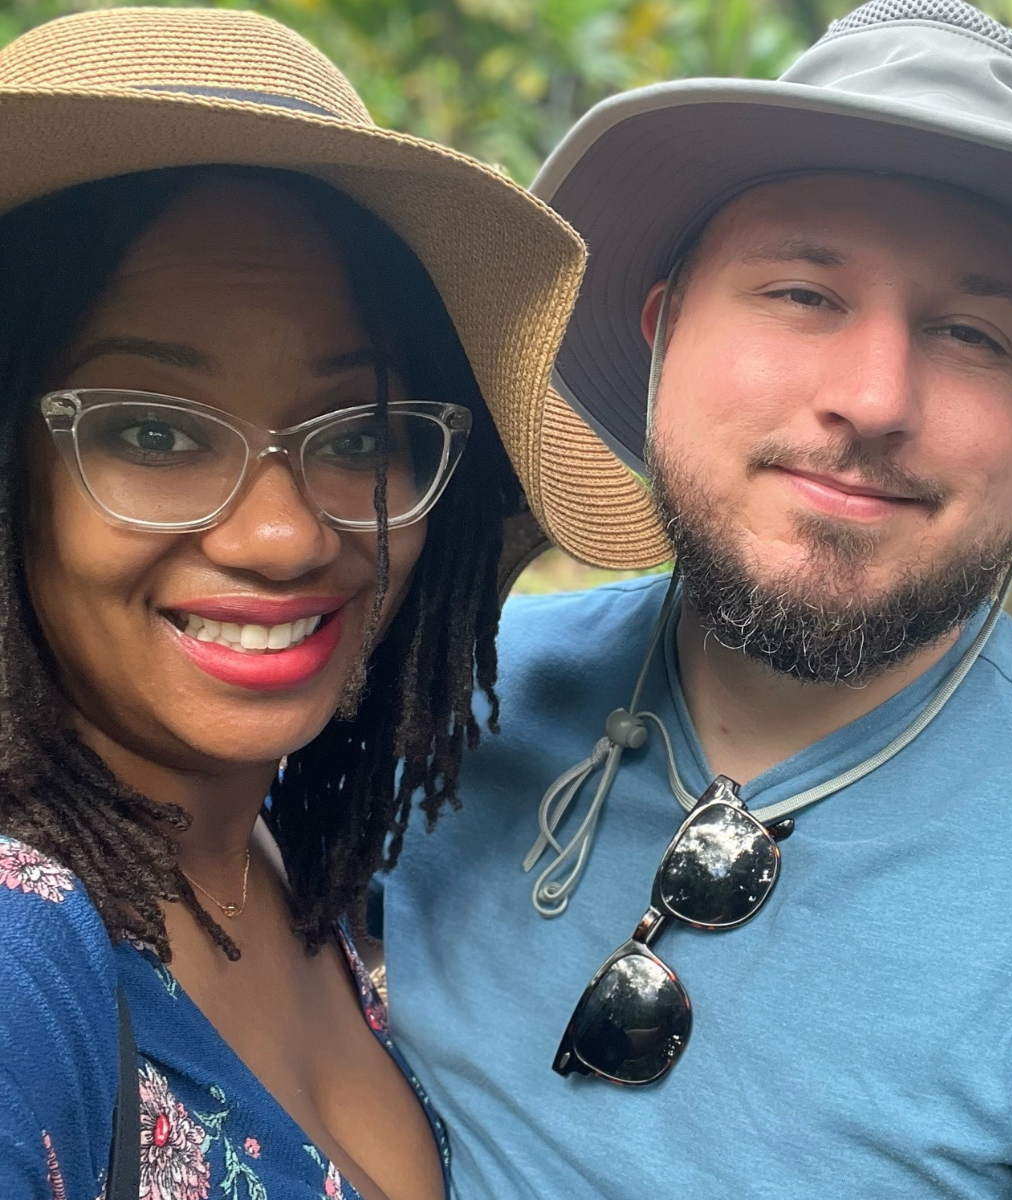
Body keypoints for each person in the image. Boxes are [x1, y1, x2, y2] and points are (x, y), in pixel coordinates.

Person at [384, 1, 1012, 1196]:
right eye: (803, 295)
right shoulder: (449, 690)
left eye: (973, 333)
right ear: (662, 331)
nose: (874, 398)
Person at [0, 7, 628, 1199]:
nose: (285, 534)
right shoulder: (18, 969)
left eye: (364, 435)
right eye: (151, 430)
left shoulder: (305, 845)